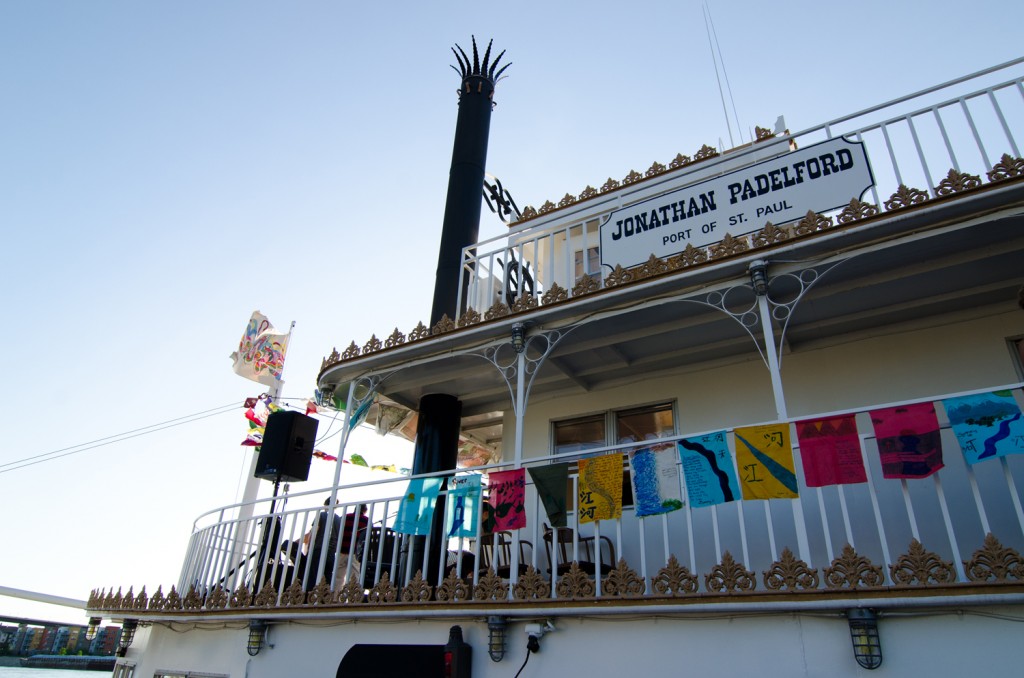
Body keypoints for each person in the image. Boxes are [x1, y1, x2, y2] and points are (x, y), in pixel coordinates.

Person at [334, 504, 370, 585]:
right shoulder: (366, 520)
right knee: (354, 577)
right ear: (365, 511)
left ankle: (335, 597)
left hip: (342, 551)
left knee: (337, 577)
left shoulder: (345, 517)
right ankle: (354, 597)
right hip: (355, 553)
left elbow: (337, 531)